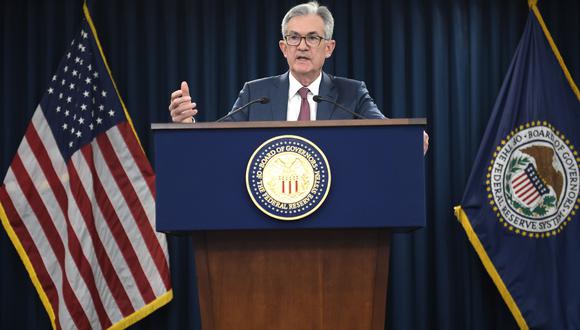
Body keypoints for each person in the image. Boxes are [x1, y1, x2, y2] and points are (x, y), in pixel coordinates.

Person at [168, 1, 429, 153]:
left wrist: (409, 142)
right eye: (294, 37)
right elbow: (219, 146)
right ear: (284, 47)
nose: (302, 46)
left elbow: (385, 133)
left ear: (329, 47)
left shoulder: (352, 94)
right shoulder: (255, 94)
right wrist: (189, 125)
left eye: (312, 37)